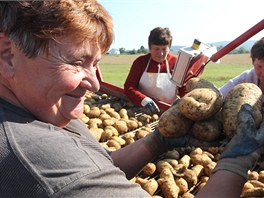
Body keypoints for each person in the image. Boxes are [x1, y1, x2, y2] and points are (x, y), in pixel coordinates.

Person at [0, 1, 263, 198]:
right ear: (8, 55)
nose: (94, 83)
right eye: (77, 62)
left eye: (96, 64)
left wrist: (157, 141)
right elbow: (81, 175)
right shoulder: (45, 164)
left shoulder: (43, 109)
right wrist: (237, 160)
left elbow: (102, 166)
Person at [124, 27, 178, 114]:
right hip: (143, 109)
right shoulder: (140, 62)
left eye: (164, 49)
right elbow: (129, 87)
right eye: (157, 49)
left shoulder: (176, 63)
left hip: (170, 112)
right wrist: (143, 100)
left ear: (169, 48)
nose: (160, 54)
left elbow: (183, 89)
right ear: (149, 47)